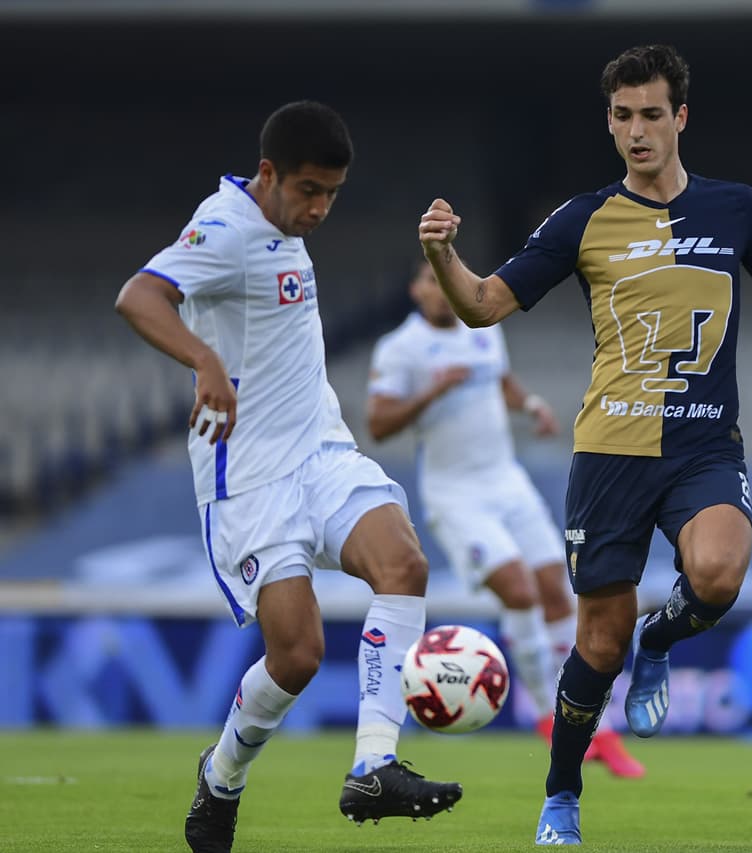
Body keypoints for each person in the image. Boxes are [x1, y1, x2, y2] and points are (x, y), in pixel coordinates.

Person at [416, 44, 752, 846]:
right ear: (609, 121)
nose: (638, 131)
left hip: (705, 447)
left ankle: (660, 639)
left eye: (652, 115)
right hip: (609, 454)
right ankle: (562, 795)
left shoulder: (734, 207)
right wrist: (441, 255)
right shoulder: (582, 219)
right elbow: (485, 304)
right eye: (623, 116)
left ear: (681, 118)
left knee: (719, 573)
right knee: (597, 638)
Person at [114, 101, 462, 853]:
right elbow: (139, 296)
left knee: (404, 561)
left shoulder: (281, 224)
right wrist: (204, 361)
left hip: (321, 451)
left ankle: (373, 764)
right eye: (307, 190)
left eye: (331, 193)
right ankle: (223, 774)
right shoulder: (226, 226)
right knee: (297, 655)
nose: (319, 208)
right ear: (267, 173)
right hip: (249, 477)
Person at [365, 260, 645, 778]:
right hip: (456, 495)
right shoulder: (401, 348)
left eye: (443, 280)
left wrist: (531, 403)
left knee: (560, 591)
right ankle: (548, 716)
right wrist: (433, 390)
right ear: (417, 289)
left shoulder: (483, 330)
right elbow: (378, 423)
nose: (440, 292)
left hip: (507, 482)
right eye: (429, 281)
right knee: (519, 591)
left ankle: (594, 729)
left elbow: (501, 379)